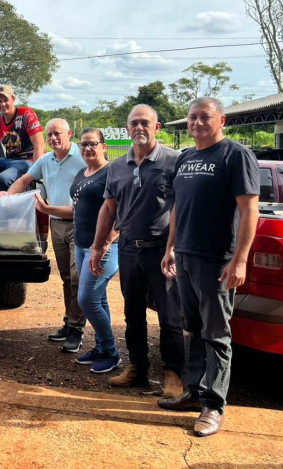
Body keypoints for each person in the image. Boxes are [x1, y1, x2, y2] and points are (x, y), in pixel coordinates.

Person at [159, 98, 259, 437]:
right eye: (193, 117)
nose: (198, 122)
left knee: (217, 335)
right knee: (195, 329)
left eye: (206, 117)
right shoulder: (186, 157)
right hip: (184, 256)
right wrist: (171, 248)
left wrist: (240, 259)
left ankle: (213, 406)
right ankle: (194, 392)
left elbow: (249, 211)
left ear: (221, 120)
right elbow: (177, 208)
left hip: (216, 260)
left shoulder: (235, 155)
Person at [89, 105, 185, 399]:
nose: (139, 128)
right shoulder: (117, 167)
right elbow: (109, 208)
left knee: (170, 316)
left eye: (146, 123)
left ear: (157, 128)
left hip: (162, 251)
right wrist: (98, 246)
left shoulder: (174, 160)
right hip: (129, 249)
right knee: (133, 313)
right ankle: (137, 369)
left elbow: (181, 208)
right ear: (127, 129)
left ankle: (173, 373)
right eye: (134, 123)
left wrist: (173, 248)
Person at [34, 128, 121, 373]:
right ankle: (103, 347)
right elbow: (76, 211)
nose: (87, 149)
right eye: (83, 145)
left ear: (104, 146)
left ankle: (112, 353)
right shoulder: (83, 172)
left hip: (104, 248)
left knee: (87, 299)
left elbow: (122, 214)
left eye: (93, 144)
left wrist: (104, 244)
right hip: (83, 246)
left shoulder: (111, 173)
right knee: (99, 299)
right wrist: (48, 209)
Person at [3, 118, 87, 352]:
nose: (53, 139)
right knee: (67, 279)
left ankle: (77, 330)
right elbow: (23, 180)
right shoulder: (45, 160)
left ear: (69, 133)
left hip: (80, 225)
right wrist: (6, 198)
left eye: (58, 134)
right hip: (56, 226)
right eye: (49, 135)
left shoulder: (82, 157)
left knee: (78, 277)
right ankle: (68, 323)